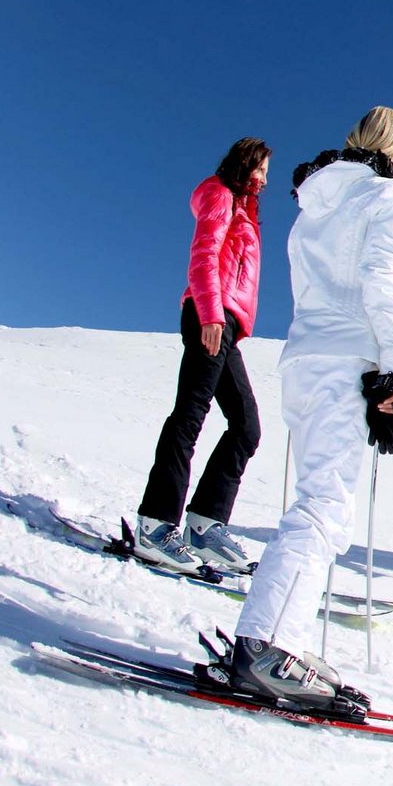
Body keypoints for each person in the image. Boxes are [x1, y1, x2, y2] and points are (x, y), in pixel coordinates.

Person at [226, 107, 393, 711]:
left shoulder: (315, 201)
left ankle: (278, 639)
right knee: (325, 506)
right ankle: (267, 648)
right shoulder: (386, 195)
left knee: (316, 499)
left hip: (303, 361)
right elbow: (380, 279)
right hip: (345, 360)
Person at [134, 137, 271, 575]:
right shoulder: (219, 193)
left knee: (246, 426)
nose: (265, 178)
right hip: (208, 313)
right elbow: (204, 254)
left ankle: (205, 523)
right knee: (189, 416)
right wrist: (211, 313)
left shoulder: (244, 208)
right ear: (246, 164)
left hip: (225, 321)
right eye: (262, 168)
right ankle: (156, 524)